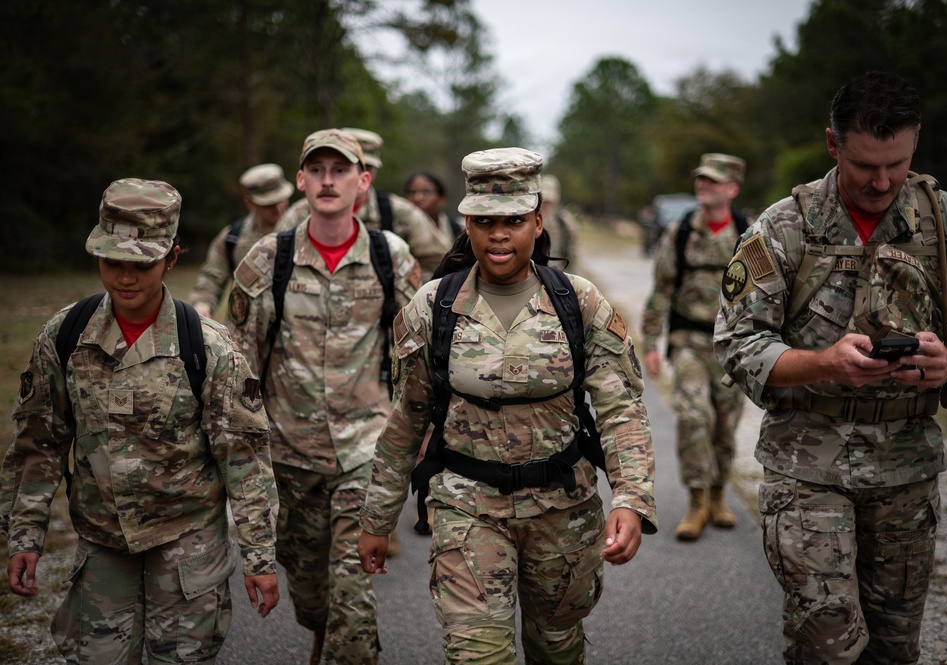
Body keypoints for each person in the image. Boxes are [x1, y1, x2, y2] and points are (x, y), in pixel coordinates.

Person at [714, 71, 947, 664]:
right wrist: (821, 363)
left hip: (907, 470)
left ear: (916, 140)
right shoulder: (782, 230)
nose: (882, 180)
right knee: (827, 645)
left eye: (896, 162)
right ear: (831, 144)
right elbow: (738, 342)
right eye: (865, 164)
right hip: (807, 466)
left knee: (895, 649)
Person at [358, 147, 658, 664]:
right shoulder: (432, 307)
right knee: (477, 656)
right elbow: (406, 419)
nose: (500, 234)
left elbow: (621, 411)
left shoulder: (578, 301)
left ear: (539, 221)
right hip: (467, 507)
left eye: (515, 220)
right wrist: (377, 517)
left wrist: (632, 499)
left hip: (563, 513)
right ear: (466, 223)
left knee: (557, 648)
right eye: (485, 221)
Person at [0, 178, 280, 664]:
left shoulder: (208, 347)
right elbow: (38, 442)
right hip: (102, 542)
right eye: (113, 263)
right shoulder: (67, 335)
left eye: (142, 265)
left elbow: (244, 461)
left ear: (171, 258)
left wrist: (259, 557)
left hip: (187, 542)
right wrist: (26, 535)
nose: (126, 278)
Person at [228, 129, 420, 665]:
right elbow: (240, 362)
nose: (328, 180)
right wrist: (241, 447)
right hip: (288, 452)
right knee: (311, 590)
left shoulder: (392, 257)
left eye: (341, 171)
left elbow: (411, 356)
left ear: (363, 182)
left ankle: (347, 646)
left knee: (353, 596)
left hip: (365, 450)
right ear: (300, 181)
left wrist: (416, 432)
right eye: (318, 170)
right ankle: (323, 631)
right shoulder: (268, 261)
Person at [640, 153, 749, 541]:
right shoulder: (681, 231)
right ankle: (697, 501)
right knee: (692, 415)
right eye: (701, 179)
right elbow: (661, 290)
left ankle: (719, 496)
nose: (704, 185)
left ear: (732, 188)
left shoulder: (749, 234)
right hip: (688, 342)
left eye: (714, 181)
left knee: (724, 423)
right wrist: (651, 343)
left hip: (734, 348)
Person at [278, 127, 449, 282]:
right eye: (346, 168)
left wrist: (409, 282)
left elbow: (442, 263)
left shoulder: (400, 213)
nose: (361, 171)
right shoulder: (299, 214)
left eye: (367, 167)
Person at [189, 163, 295, 318]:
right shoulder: (233, 238)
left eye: (282, 199)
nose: (278, 207)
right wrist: (201, 306)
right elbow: (212, 278)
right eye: (269, 203)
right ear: (250, 203)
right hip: (245, 332)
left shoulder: (304, 231)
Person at [404, 170, 463, 244]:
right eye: (413, 193)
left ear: (441, 199)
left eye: (426, 192)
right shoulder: (401, 230)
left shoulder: (460, 229)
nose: (418, 198)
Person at [539, 173, 581, 270]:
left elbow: (572, 254)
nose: (546, 206)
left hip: (557, 276)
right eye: (544, 201)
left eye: (549, 202)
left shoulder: (565, 222)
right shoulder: (529, 222)